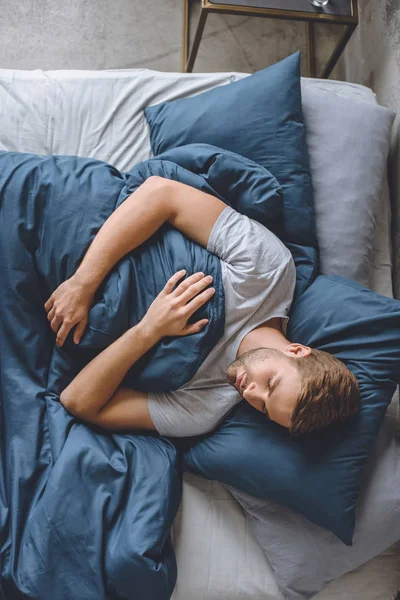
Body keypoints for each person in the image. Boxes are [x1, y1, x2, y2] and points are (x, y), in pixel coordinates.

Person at [44, 176, 360, 438]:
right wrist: (82, 283)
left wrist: (148, 331)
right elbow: (160, 193)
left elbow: (78, 402)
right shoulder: (269, 273)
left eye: (263, 408)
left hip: (43, 305)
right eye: (271, 384)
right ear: (297, 351)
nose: (251, 394)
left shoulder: (204, 408)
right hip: (68, 228)